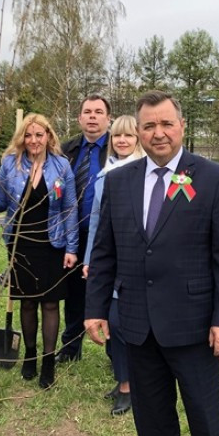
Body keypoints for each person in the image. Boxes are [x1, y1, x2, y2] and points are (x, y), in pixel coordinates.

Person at [85, 91, 219, 436]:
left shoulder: (213, 178)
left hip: (193, 323)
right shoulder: (118, 182)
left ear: (182, 126)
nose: (158, 133)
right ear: (137, 131)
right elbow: (104, 252)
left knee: (204, 409)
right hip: (136, 319)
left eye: (166, 124)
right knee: (151, 407)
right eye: (149, 126)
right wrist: (95, 308)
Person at [0, 114, 78, 389]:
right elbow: (1, 203)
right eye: (29, 135)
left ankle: (48, 361)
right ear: (22, 138)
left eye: (39, 134)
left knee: (50, 303)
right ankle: (30, 355)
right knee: (27, 302)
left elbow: (70, 208)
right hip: (21, 243)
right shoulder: (10, 164)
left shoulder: (61, 166)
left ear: (48, 136)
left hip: (52, 243)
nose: (34, 140)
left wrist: (72, 247)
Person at [82, 115, 145, 416]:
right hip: (109, 261)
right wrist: (89, 261)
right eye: (117, 136)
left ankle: (129, 385)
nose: (122, 141)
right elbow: (96, 221)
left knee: (122, 324)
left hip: (134, 263)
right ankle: (124, 379)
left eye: (128, 136)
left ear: (138, 140)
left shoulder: (144, 173)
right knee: (112, 321)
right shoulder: (105, 174)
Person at [58, 94, 112, 363]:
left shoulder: (117, 148)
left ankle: (119, 354)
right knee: (73, 293)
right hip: (72, 234)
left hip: (106, 235)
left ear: (108, 118)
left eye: (98, 112)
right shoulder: (66, 150)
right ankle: (70, 347)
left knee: (110, 291)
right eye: (87, 112)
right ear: (79, 118)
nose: (92, 116)